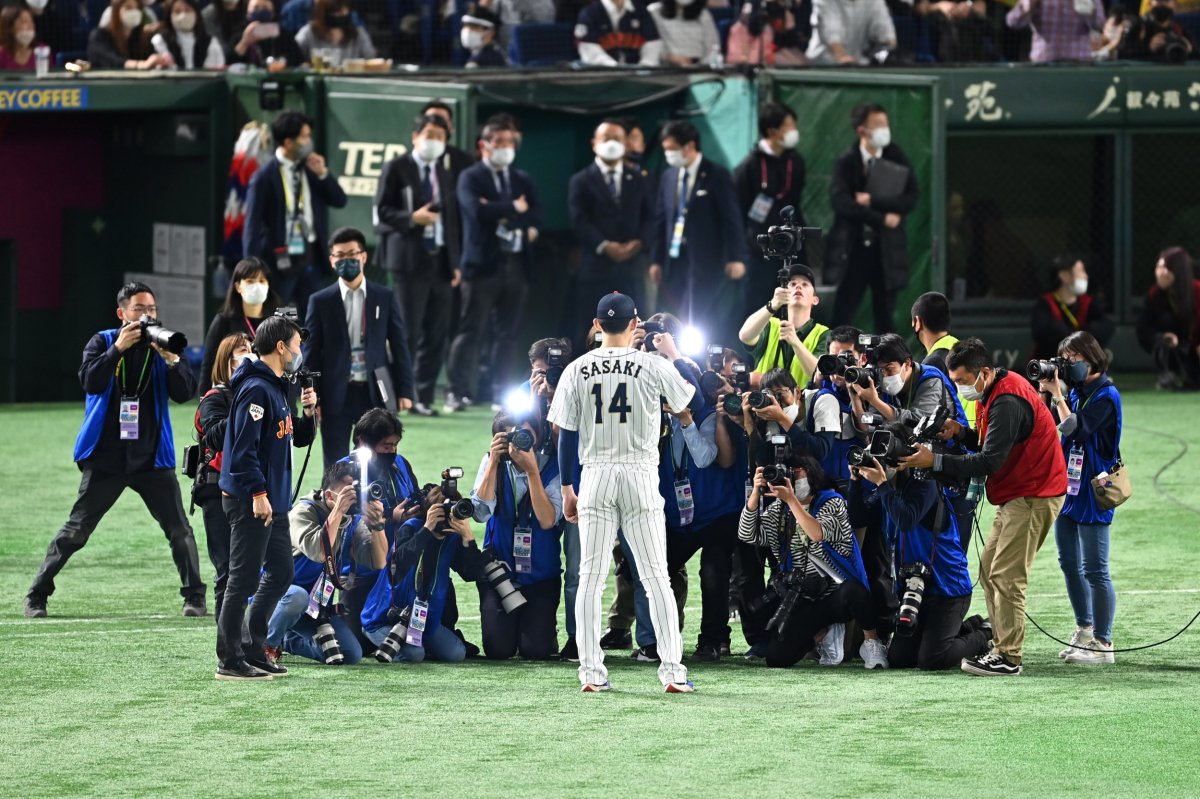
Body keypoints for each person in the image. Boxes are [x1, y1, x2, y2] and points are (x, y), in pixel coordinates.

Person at [25, 282, 205, 619]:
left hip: (152, 458)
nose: (147, 315)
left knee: (179, 530)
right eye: (139, 309)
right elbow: (90, 381)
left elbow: (184, 393)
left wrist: (171, 361)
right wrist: (117, 349)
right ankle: (37, 595)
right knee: (76, 530)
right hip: (107, 457)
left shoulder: (160, 345)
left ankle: (195, 597)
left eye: (151, 309)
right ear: (122, 313)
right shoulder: (103, 341)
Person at [548, 292, 697, 693]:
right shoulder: (651, 364)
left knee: (590, 577)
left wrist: (566, 487)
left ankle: (592, 674)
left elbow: (566, 436)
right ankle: (672, 671)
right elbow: (689, 399)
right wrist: (673, 354)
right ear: (635, 326)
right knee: (656, 577)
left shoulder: (576, 369)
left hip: (594, 475)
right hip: (640, 474)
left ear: (597, 326)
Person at [901, 337, 1067, 677]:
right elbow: (992, 443)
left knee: (1006, 575)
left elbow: (990, 460)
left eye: (963, 381)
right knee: (991, 568)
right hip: (1020, 493)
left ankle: (1008, 656)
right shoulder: (995, 390)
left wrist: (936, 461)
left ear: (984, 373)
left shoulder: (1007, 399)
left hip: (1035, 494)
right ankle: (1000, 643)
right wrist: (961, 433)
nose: (961, 388)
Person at [215, 314, 318, 680]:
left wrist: (308, 413)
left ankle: (252, 648)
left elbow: (288, 440)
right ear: (280, 347)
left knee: (281, 571)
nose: (299, 351)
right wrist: (258, 492)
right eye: (297, 344)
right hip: (252, 500)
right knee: (241, 579)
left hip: (273, 501)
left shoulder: (275, 386)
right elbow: (243, 451)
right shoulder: (257, 389)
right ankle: (229, 659)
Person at [739, 456, 889, 669]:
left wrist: (792, 500)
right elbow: (747, 534)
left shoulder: (832, 502)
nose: (790, 476)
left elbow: (817, 533)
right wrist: (755, 493)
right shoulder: (777, 511)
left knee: (854, 593)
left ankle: (871, 642)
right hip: (802, 596)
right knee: (776, 657)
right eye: (786, 471)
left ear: (812, 474)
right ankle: (821, 635)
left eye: (796, 471)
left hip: (836, 592)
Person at [853, 452, 991, 670]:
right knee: (900, 659)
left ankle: (985, 632)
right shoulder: (888, 491)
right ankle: (966, 627)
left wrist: (881, 484)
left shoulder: (926, 485)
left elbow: (906, 519)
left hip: (948, 590)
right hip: (914, 590)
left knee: (932, 660)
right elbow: (857, 517)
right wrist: (855, 482)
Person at [447, 121, 542, 413]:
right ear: (484, 144)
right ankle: (457, 391)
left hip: (515, 265)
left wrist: (503, 213)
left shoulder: (521, 178)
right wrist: (514, 207)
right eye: (499, 141)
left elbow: (536, 213)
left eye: (510, 142)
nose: (506, 147)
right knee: (470, 330)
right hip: (481, 266)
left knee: (508, 334)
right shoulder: (470, 177)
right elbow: (476, 211)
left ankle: (500, 393)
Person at [1038, 331, 1121, 665]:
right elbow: (1049, 427)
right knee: (1069, 564)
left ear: (1091, 357)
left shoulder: (1106, 395)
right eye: (1064, 360)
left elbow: (1076, 428)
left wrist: (1058, 395)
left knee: (1095, 570)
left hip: (1094, 489)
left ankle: (1104, 644)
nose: (1067, 366)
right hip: (1069, 488)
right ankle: (1085, 629)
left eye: (1072, 359)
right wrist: (1049, 394)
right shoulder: (1078, 391)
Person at [303, 226, 415, 467]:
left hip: (375, 390)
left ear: (363, 256)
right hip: (335, 393)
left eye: (352, 254)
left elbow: (399, 345)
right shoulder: (320, 301)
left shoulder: (384, 296)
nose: (347, 261)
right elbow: (311, 353)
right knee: (334, 463)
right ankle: (334, 504)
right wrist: (315, 398)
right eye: (340, 256)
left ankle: (377, 503)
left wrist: (405, 390)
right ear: (332, 261)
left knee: (378, 459)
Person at [374, 114, 463, 417]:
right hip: (408, 262)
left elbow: (451, 221)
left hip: (440, 262)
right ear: (415, 136)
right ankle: (399, 395)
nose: (434, 141)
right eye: (429, 134)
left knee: (435, 334)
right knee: (405, 332)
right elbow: (381, 213)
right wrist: (412, 218)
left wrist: (455, 263)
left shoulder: (445, 173)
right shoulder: (396, 168)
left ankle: (423, 396)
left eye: (440, 136)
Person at [275, 461, 390, 666]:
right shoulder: (302, 513)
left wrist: (378, 525)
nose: (353, 497)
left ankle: (287, 640)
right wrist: (338, 511)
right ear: (329, 496)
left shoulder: (352, 521)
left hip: (315, 607)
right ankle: (262, 644)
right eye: (347, 492)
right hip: (282, 598)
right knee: (297, 597)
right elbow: (320, 552)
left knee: (350, 654)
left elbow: (379, 561)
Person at [471, 412, 564, 660]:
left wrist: (532, 471)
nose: (522, 441)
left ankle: (543, 630)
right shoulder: (492, 462)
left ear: (538, 433)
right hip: (500, 573)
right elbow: (480, 514)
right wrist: (493, 462)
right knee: (498, 650)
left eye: (527, 434)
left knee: (535, 651)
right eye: (514, 435)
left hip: (541, 575)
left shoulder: (553, 465)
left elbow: (546, 520)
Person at [360, 489, 488, 664]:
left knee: (456, 654)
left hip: (425, 620)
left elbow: (472, 573)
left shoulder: (451, 539)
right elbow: (399, 565)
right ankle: (378, 636)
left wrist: (468, 538)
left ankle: (418, 643)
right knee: (414, 654)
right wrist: (427, 529)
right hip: (384, 617)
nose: (447, 518)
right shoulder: (412, 527)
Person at [651, 121, 748, 344]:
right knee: (671, 313)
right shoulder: (668, 177)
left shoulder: (717, 175)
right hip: (674, 260)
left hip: (706, 261)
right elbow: (660, 220)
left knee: (701, 315)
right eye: (665, 149)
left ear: (690, 146)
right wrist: (656, 259)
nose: (668, 154)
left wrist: (736, 257)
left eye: (672, 149)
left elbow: (732, 219)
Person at [243, 110, 348, 310]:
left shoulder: (311, 169)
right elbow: (252, 226)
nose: (309, 142)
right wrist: (252, 269)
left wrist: (323, 174)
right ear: (289, 142)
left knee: (315, 318)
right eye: (305, 137)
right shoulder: (263, 178)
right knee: (279, 318)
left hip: (311, 257)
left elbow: (340, 200)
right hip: (279, 261)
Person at [828, 102, 919, 335]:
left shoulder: (896, 156)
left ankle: (887, 364)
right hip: (853, 249)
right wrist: (879, 217)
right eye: (877, 125)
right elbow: (841, 201)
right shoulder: (847, 162)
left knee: (886, 315)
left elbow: (910, 197)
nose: (884, 130)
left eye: (886, 124)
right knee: (843, 312)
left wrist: (872, 201)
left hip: (886, 249)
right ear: (861, 131)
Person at [568, 119, 655, 338]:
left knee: (637, 328)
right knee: (590, 329)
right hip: (595, 268)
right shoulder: (580, 180)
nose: (612, 143)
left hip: (632, 268)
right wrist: (605, 246)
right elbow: (579, 220)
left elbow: (652, 217)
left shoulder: (640, 179)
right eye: (606, 138)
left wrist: (638, 243)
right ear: (594, 143)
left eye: (617, 139)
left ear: (626, 144)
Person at [193, 332, 254, 621]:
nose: (250, 355)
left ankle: (251, 641)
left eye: (252, 350)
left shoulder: (259, 393)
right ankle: (228, 646)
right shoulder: (214, 398)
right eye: (243, 351)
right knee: (228, 571)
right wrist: (245, 403)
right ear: (226, 360)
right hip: (217, 490)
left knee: (252, 571)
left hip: (252, 489)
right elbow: (215, 437)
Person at [734, 102, 808, 320]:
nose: (793, 132)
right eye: (788, 127)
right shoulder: (748, 166)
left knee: (792, 308)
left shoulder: (796, 162)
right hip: (759, 251)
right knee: (757, 305)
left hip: (792, 247)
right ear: (772, 131)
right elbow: (739, 210)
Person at [738, 263, 827, 389]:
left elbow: (819, 375)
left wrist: (795, 341)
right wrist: (773, 304)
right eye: (792, 284)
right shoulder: (770, 324)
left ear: (815, 300)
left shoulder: (823, 334)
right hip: (765, 405)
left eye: (805, 284)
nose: (798, 287)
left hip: (802, 407)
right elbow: (745, 336)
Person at [200, 257, 279, 394]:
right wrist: (206, 403)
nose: (257, 286)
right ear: (238, 286)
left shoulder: (277, 323)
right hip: (235, 400)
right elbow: (208, 367)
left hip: (272, 400)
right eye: (250, 281)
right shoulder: (223, 322)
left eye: (262, 281)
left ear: (268, 285)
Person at [1136, 247, 1200, 391]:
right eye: (1159, 267)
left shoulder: (1197, 291)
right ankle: (1171, 374)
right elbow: (1143, 329)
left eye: (1168, 268)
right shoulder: (1154, 296)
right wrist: (1162, 337)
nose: (1162, 273)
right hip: (1176, 351)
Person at [911, 291, 976, 429]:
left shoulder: (933, 364)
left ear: (917, 322)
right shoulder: (957, 347)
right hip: (973, 432)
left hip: (959, 437)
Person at [1031, 255, 1113, 361]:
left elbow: (1106, 327)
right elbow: (1041, 334)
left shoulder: (1088, 303)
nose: (1085, 276)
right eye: (1081, 271)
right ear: (1064, 276)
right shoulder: (1045, 303)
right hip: (1052, 364)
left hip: (1083, 365)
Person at [1005, 0, 1105, 62]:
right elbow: (1013, 22)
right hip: (1044, 63)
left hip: (1079, 62)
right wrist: (1029, 4)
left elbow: (1100, 25)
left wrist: (1089, 12)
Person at [87, 0, 172, 69]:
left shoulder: (141, 39)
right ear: (116, 11)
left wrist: (159, 62)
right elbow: (110, 60)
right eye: (128, 7)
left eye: (137, 8)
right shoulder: (99, 36)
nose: (134, 12)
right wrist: (139, 65)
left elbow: (149, 58)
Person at [805, 0, 896, 64]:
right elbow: (832, 37)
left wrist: (889, 55)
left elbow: (888, 37)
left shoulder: (875, 2)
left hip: (859, 65)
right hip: (823, 64)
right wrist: (844, 59)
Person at [575, 0, 663, 65]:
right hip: (604, 77)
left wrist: (644, 67)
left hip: (640, 77)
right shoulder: (589, 13)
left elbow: (653, 43)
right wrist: (614, 68)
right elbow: (589, 49)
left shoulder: (641, 12)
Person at [294, 0, 375, 63]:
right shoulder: (308, 33)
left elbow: (371, 60)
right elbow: (294, 57)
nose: (339, 16)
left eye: (344, 11)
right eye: (334, 12)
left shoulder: (358, 34)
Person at [231, 0, 306, 68]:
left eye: (265, 8)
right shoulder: (240, 33)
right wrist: (244, 42)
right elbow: (229, 61)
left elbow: (299, 59)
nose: (260, 11)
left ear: (273, 13)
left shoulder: (283, 35)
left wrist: (284, 62)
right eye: (256, 7)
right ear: (247, 13)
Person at [151, 0, 225, 68]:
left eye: (187, 10)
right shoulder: (159, 41)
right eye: (177, 11)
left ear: (196, 13)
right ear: (169, 16)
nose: (183, 15)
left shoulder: (211, 42)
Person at [647, 0, 720, 65]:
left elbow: (712, 47)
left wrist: (703, 68)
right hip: (666, 68)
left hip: (698, 68)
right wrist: (668, 56)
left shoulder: (703, 14)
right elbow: (652, 44)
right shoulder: (654, 11)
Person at [1119, 0, 1196, 61]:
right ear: (1150, 4)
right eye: (1158, 0)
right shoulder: (1137, 25)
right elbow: (1122, 55)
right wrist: (1148, 48)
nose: (1162, 4)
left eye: (1166, 0)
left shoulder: (1178, 28)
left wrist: (1189, 49)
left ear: (1174, 5)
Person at [0, 4, 45, 71]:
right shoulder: (1, 54)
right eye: (24, 22)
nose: (30, 26)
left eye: (31, 21)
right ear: (10, 27)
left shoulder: (42, 51)